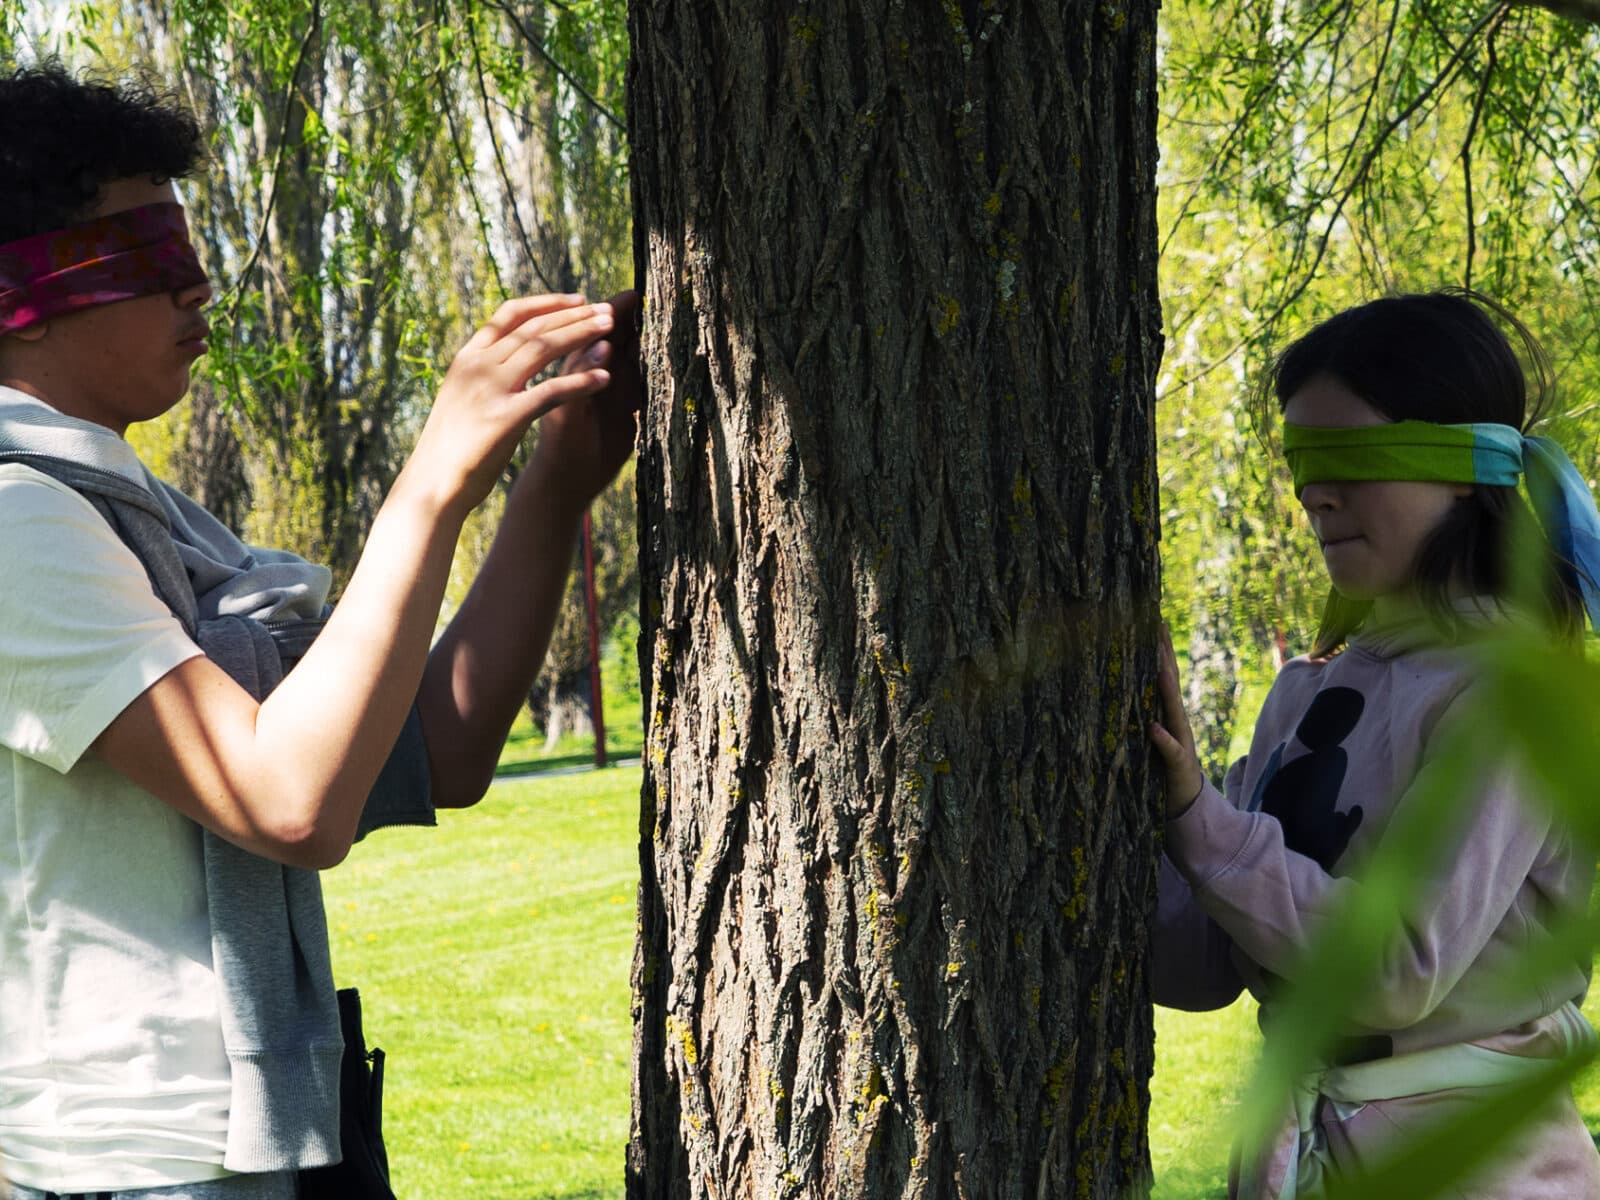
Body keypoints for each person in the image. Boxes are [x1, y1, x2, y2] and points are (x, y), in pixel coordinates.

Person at [0, 64, 640, 1196]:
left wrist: (552, 487)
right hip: (131, 1162)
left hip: (255, 1136)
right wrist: (434, 473)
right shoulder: (17, 526)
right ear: (19, 296)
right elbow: (285, 802)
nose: (198, 291)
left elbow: (431, 750)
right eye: (147, 258)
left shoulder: (144, 519)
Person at [1148, 290, 1600, 1199]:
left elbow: (1397, 969)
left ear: (1465, 467)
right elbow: (1204, 964)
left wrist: (1208, 828)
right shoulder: (1307, 690)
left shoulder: (1511, 698)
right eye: (1302, 461)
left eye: (1350, 457)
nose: (1317, 492)